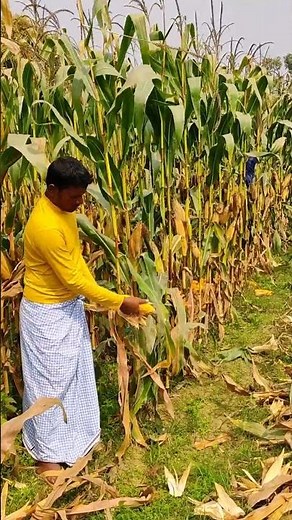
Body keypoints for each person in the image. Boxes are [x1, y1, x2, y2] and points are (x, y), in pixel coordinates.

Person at [20, 157, 145, 477]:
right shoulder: (46, 226)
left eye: (82, 196)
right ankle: (47, 457)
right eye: (74, 196)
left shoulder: (63, 212)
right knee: (49, 386)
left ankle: (73, 444)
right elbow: (74, 280)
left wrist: (108, 297)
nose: (80, 203)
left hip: (67, 307)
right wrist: (120, 302)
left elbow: (76, 266)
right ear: (52, 189)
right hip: (46, 315)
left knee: (74, 380)